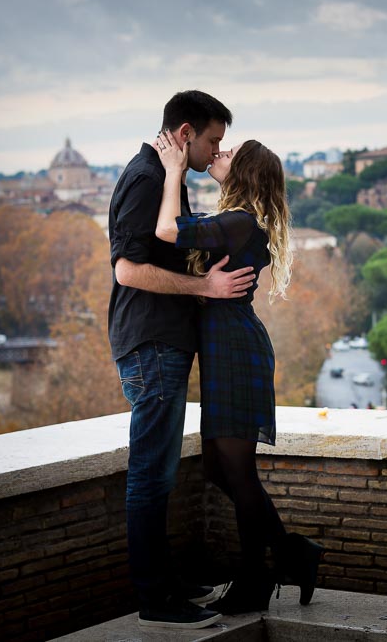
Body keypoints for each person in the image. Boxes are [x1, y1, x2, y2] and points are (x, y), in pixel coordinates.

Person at [153, 131, 323, 615]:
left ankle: (255, 579)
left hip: (235, 351)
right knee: (216, 469)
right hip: (227, 350)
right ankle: (293, 553)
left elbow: (168, 231)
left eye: (231, 153)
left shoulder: (239, 222)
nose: (220, 153)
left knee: (239, 473)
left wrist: (172, 171)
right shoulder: (237, 221)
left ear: (244, 172)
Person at [108, 90, 256, 630]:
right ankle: (155, 597)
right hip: (151, 343)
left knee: (161, 474)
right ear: (188, 131)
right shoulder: (150, 178)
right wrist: (205, 287)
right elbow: (128, 269)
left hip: (162, 340)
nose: (217, 147)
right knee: (149, 475)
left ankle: (167, 583)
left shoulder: (165, 175)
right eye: (214, 138)